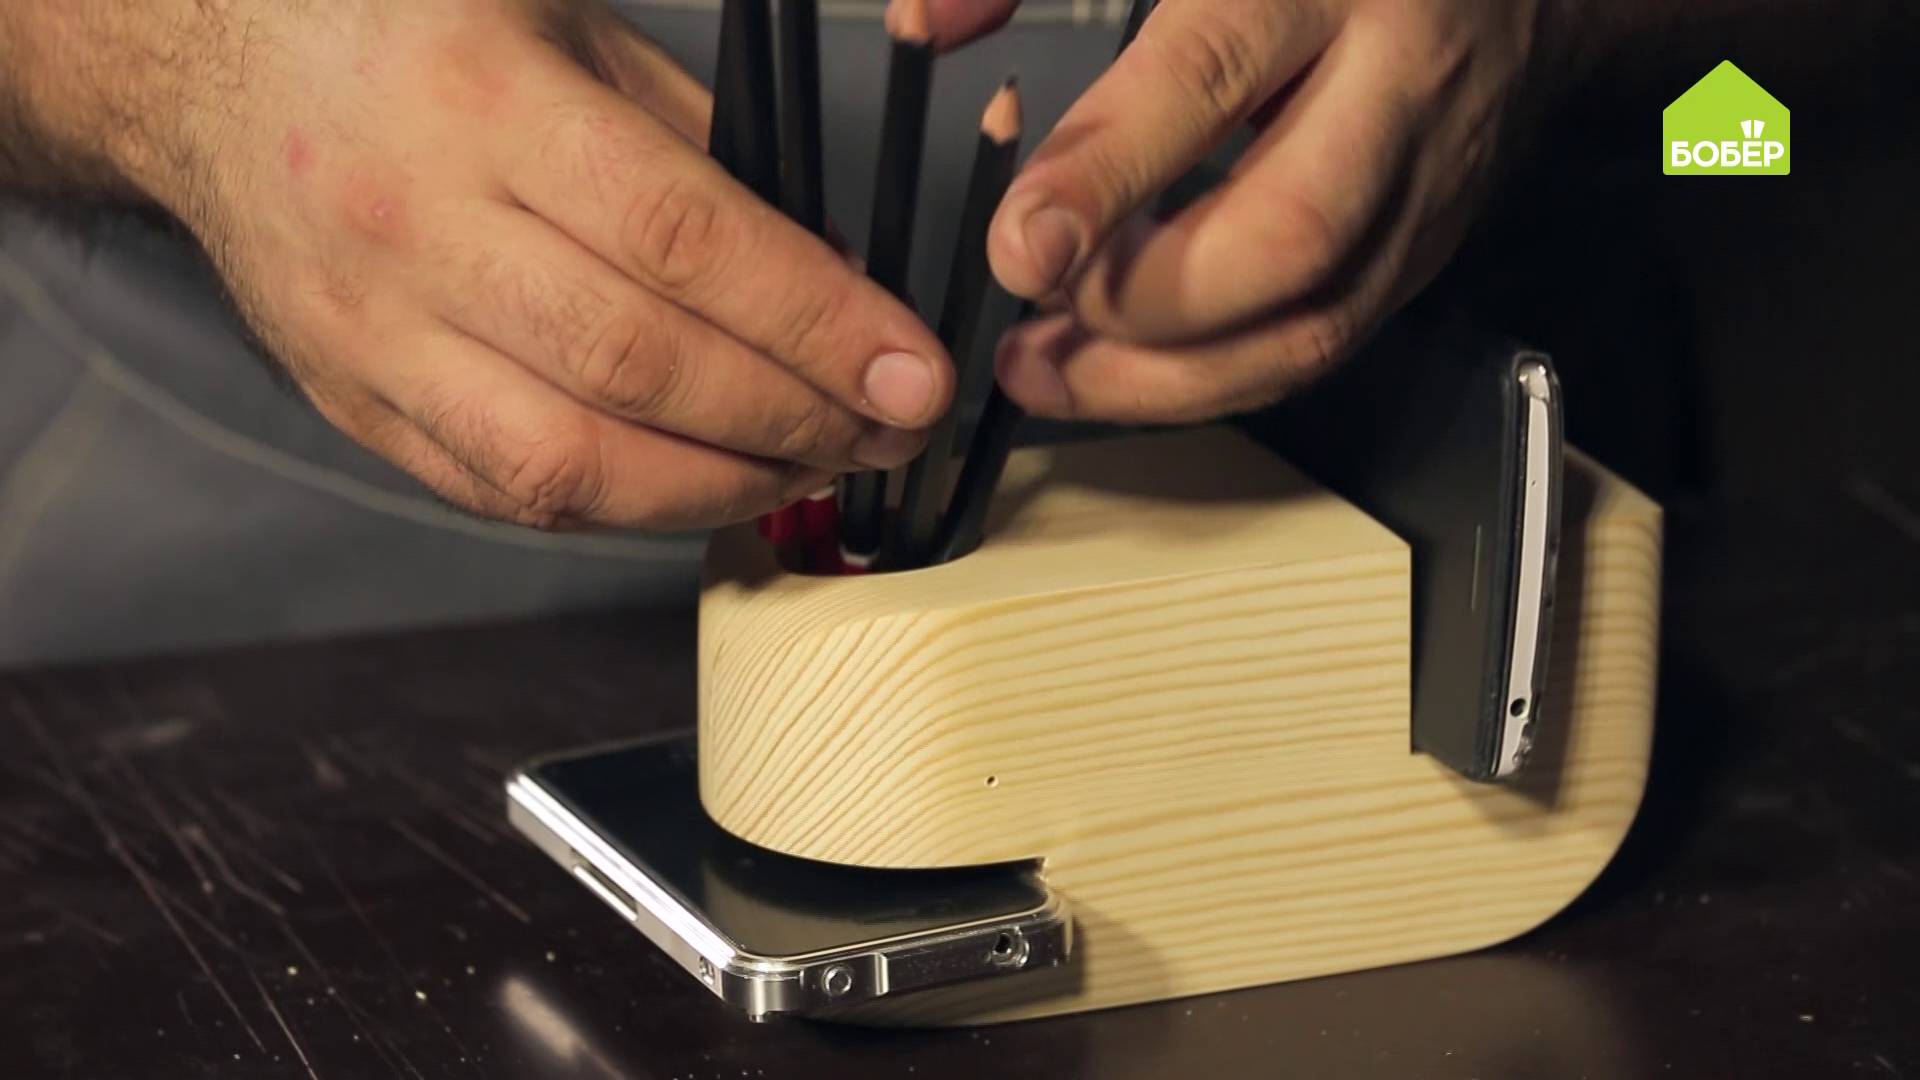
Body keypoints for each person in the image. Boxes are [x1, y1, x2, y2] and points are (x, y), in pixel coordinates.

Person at [0, 0, 1896, 542]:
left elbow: (1807, 97)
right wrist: (164, 57)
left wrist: (1559, 25)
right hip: (251, 630)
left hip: (1435, 583)